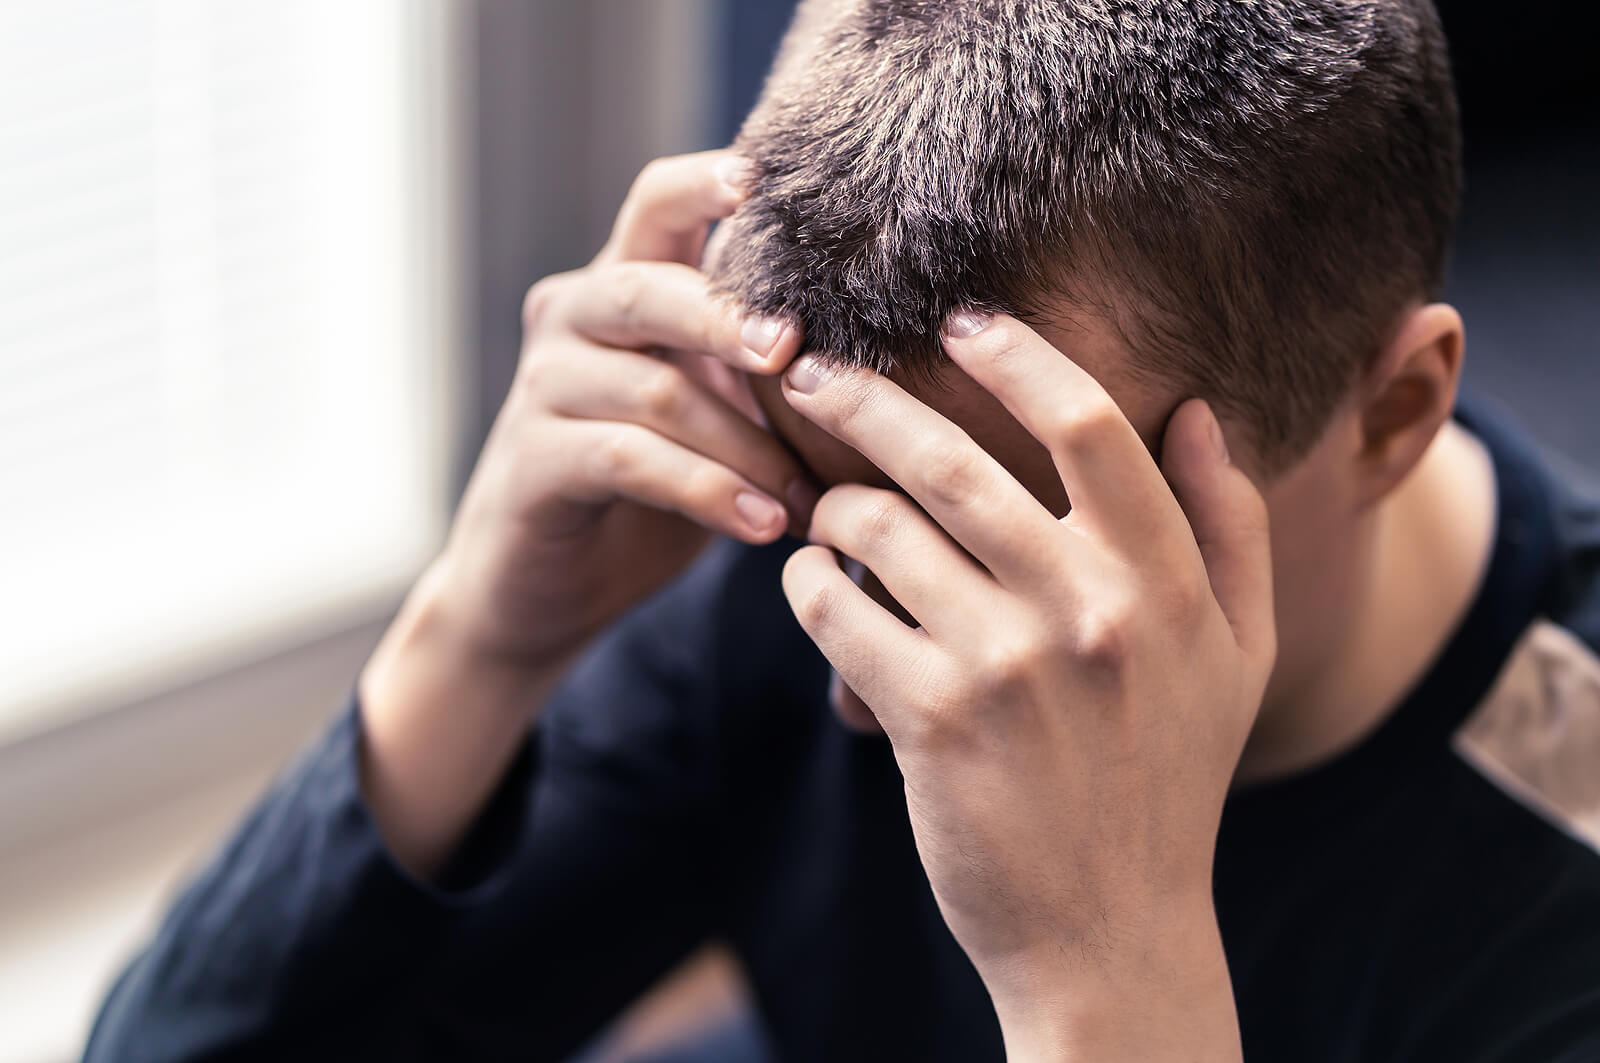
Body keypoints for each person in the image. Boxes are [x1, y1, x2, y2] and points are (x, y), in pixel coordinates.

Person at [85, 0, 1600, 1060]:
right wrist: (483, 628)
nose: (875, 674)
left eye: (998, 539)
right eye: (835, 499)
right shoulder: (790, 553)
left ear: (1394, 415)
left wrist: (1112, 978)